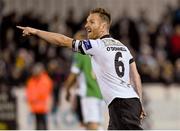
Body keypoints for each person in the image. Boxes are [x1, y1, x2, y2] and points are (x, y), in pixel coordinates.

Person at [17, 7, 146, 130]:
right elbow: (135, 76)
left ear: (103, 26)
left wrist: (37, 31)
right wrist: (139, 102)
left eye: (91, 22)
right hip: (130, 101)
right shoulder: (123, 47)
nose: (86, 25)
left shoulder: (97, 45)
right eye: (86, 21)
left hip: (120, 103)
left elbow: (63, 41)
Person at [64, 30, 105, 130]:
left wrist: (67, 89)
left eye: (74, 40)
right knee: (94, 124)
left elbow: (73, 74)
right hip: (101, 93)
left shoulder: (81, 53)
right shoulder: (96, 51)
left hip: (88, 93)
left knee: (91, 125)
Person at [26, 63, 53, 130]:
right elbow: (29, 92)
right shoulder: (32, 80)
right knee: (38, 123)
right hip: (35, 106)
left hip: (43, 105)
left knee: (42, 122)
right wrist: (31, 101)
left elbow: (45, 92)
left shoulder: (45, 80)